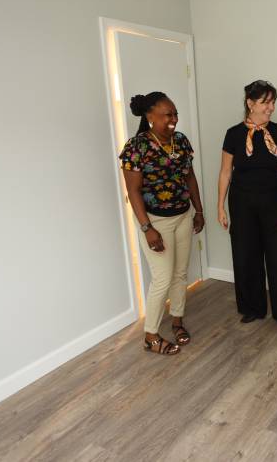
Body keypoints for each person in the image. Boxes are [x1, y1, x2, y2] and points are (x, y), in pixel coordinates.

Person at [217, 80, 277, 341]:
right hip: (242, 203)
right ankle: (253, 308)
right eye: (266, 102)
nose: (271, 107)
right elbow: (225, 172)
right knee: (246, 256)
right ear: (250, 104)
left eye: (272, 102)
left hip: (275, 202)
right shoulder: (233, 134)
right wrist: (220, 206)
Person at [119, 91, 205, 356]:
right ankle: (151, 335)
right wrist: (147, 228)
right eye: (168, 114)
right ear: (150, 116)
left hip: (182, 215)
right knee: (162, 278)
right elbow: (133, 191)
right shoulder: (137, 147)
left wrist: (198, 211)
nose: (174, 119)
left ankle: (177, 321)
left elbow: (189, 178)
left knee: (180, 274)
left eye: (175, 113)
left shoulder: (180, 141)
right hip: (156, 221)